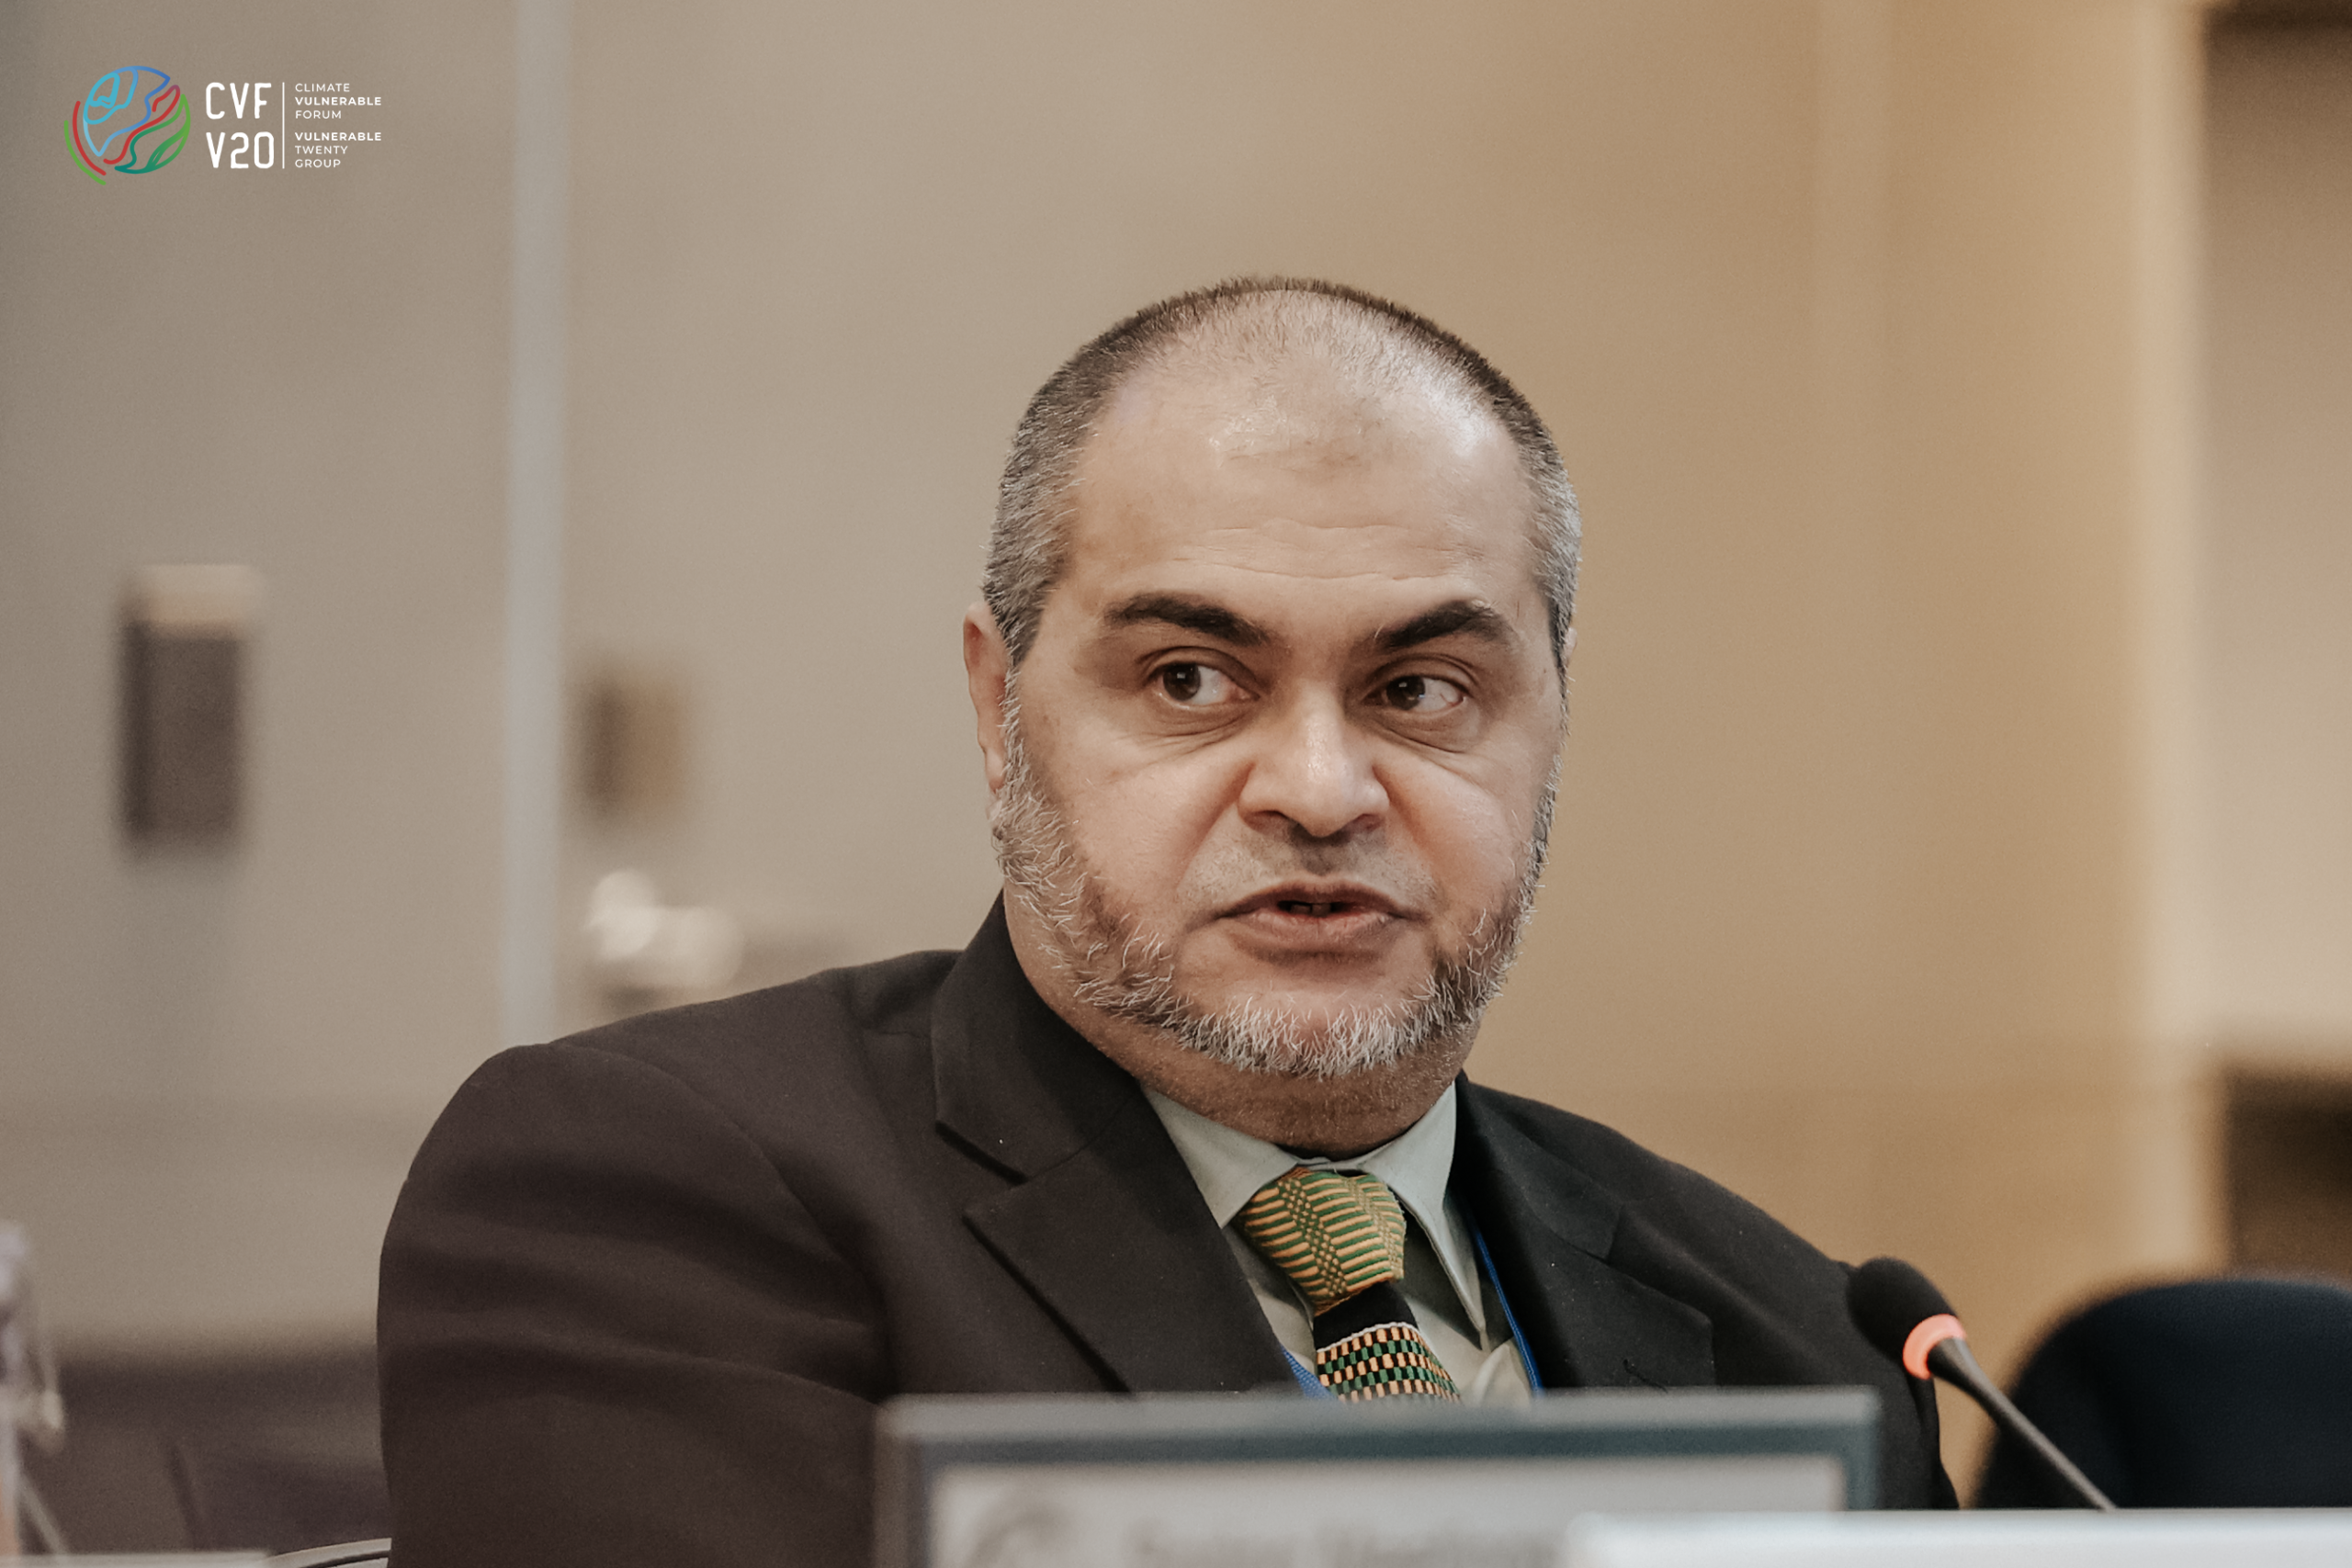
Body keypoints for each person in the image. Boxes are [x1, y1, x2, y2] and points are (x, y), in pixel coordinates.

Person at [377, 278, 1953, 1567]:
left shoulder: (1806, 1340)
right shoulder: (649, 1204)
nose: (1321, 790)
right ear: (999, 712)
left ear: (1552, 722)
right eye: (1191, 679)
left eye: (1421, 690)